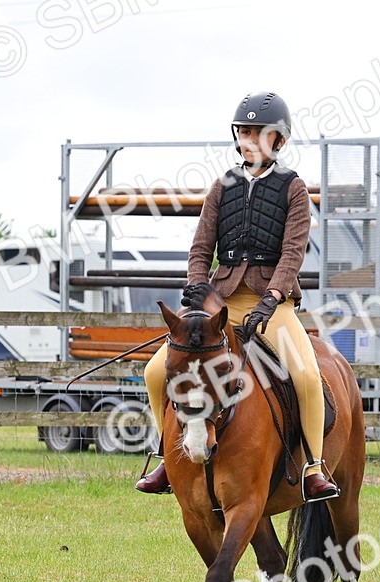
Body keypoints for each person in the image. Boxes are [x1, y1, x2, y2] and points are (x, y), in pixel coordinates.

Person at [135, 90, 339, 502]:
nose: (247, 139)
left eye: (256, 133)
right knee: (155, 372)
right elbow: (200, 247)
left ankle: (314, 468)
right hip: (219, 304)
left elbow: (293, 251)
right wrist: (197, 288)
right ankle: (165, 455)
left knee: (305, 375)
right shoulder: (222, 186)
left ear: (277, 140)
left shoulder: (293, 189)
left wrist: (274, 296)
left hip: (271, 304)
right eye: (243, 132)